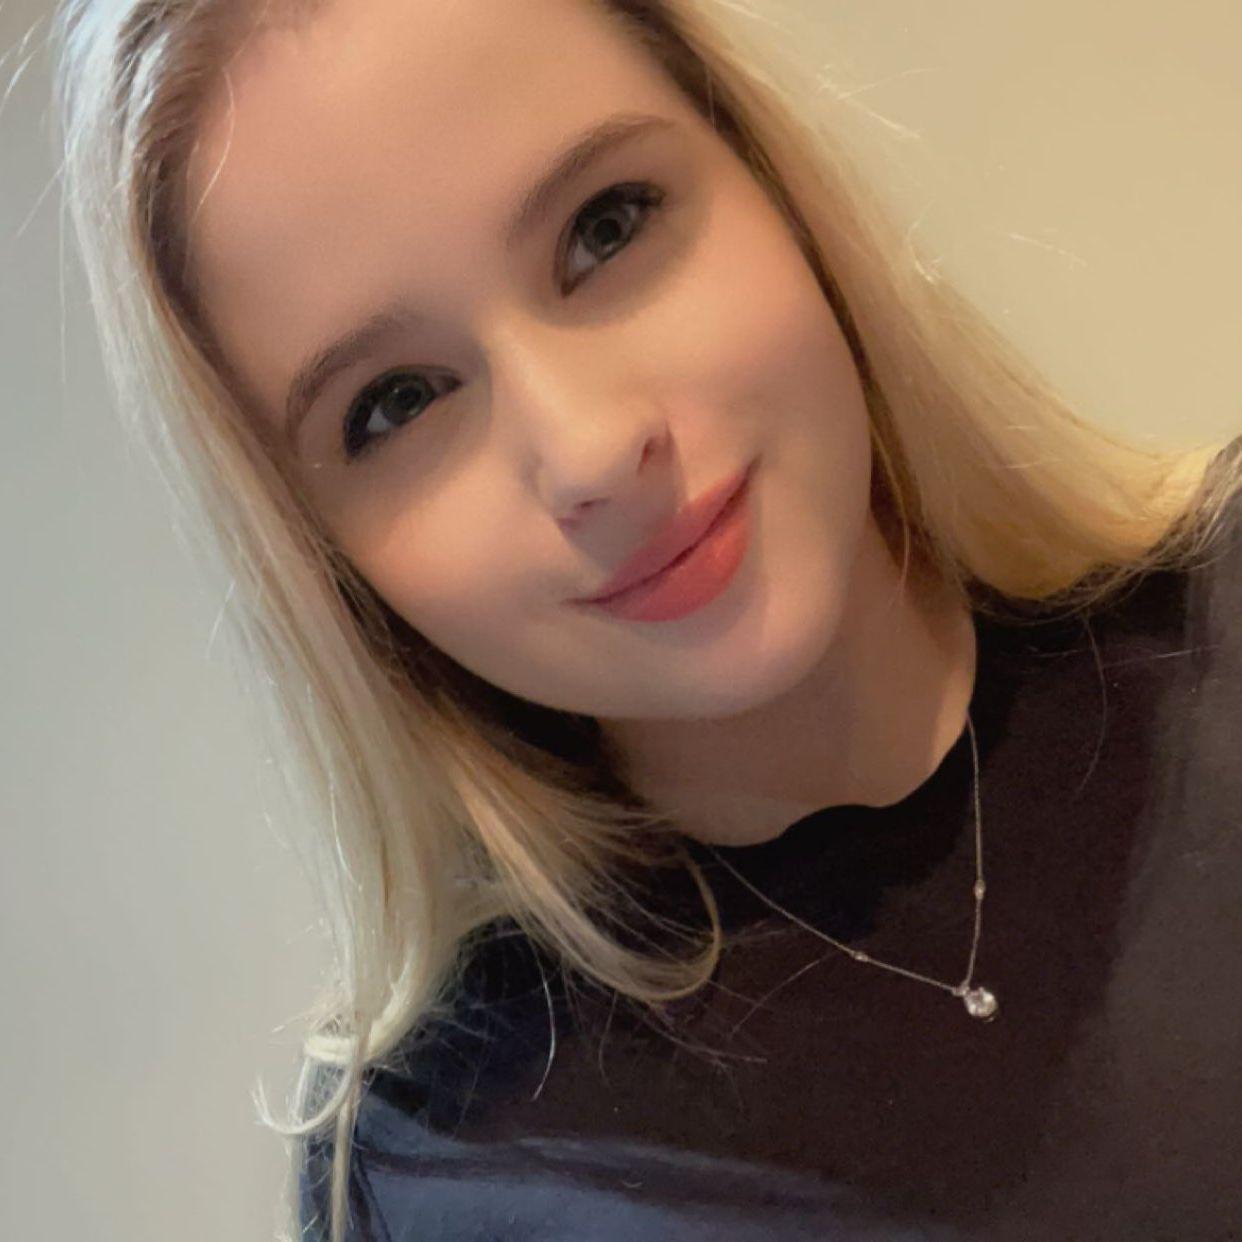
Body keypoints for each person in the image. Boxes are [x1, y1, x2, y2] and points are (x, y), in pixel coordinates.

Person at [50, 0, 1242, 1238]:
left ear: (774, 185)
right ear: (328, 567)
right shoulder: (432, 1168)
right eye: (398, 402)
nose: (590, 450)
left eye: (605, 227)